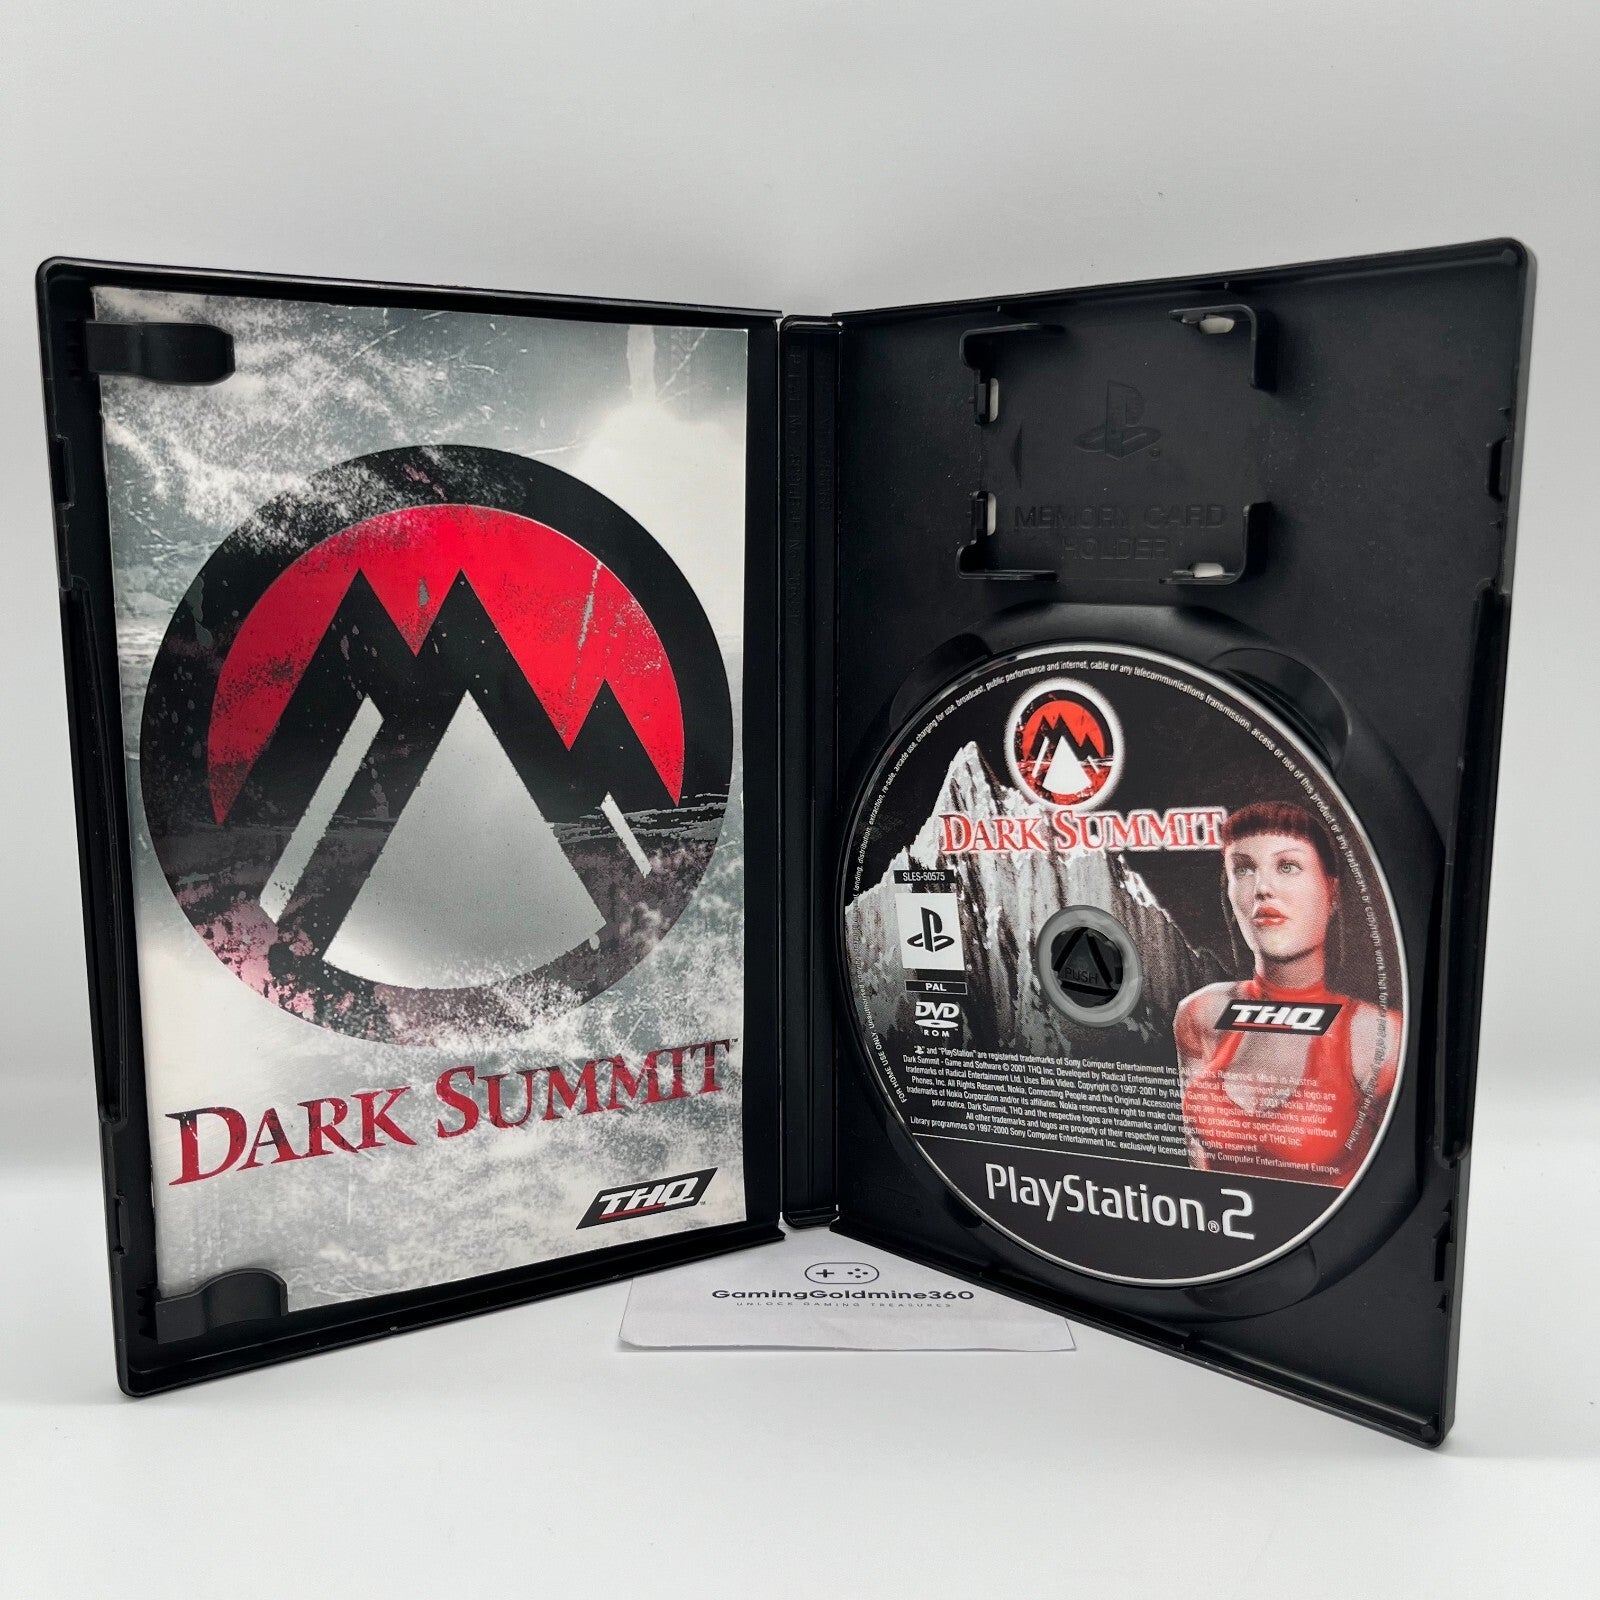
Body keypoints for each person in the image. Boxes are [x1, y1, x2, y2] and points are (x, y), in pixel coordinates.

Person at [1173, 801, 1400, 1187]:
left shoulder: (1382, 1036)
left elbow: (1396, 1180)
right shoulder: (1200, 1014)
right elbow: (1197, 1163)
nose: (1262, 888)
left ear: (1332, 892)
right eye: (1243, 869)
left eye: (1288, 866)